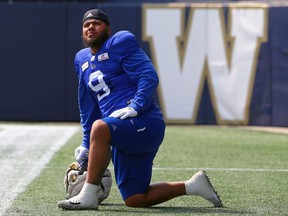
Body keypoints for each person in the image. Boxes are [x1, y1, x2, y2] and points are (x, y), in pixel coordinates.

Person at [57, 8, 222, 210]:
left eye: (96, 23)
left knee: (100, 128)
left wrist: (137, 105)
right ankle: (193, 186)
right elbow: (88, 106)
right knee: (135, 198)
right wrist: (85, 143)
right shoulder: (81, 59)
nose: (91, 27)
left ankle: (88, 196)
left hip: (145, 122)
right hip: (121, 131)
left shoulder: (120, 42)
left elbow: (148, 75)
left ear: (107, 29)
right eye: (86, 25)